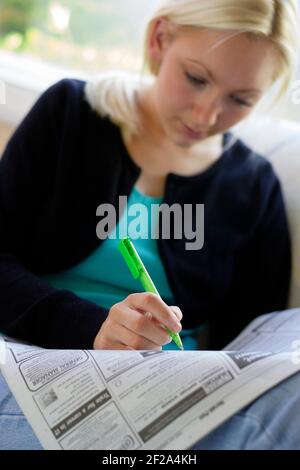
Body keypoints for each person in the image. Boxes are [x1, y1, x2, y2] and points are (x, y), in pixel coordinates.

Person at [0, 0, 299, 450]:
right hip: (33, 363)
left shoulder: (253, 187)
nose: (206, 116)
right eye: (196, 78)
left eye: (240, 100)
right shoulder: (70, 113)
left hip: (170, 399)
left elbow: (255, 342)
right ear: (159, 39)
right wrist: (92, 328)